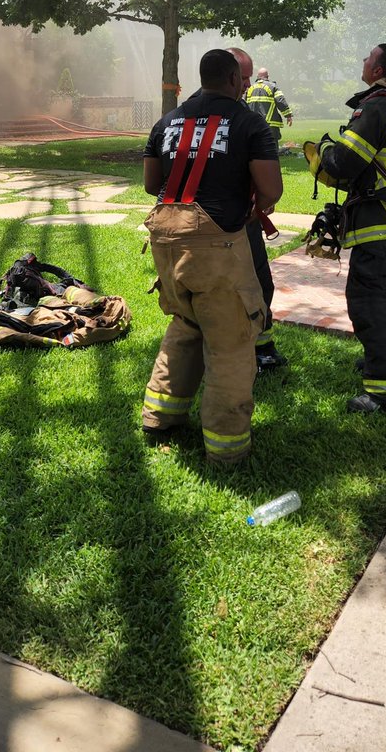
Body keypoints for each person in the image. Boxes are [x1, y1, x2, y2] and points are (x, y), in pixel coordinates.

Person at [141, 49, 283, 464]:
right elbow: (271, 192)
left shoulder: (166, 121)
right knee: (231, 341)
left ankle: (161, 417)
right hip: (217, 249)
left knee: (186, 326)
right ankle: (227, 448)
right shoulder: (248, 122)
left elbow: (153, 184)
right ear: (235, 81)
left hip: (166, 243)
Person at [314, 43, 386, 414]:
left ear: (378, 70)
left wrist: (321, 157)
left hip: (377, 225)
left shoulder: (376, 106)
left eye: (367, 58)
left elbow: (345, 162)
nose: (362, 61)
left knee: (367, 303)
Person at [227, 46, 287, 372]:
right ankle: (258, 352)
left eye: (251, 76)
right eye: (244, 77)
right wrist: (260, 206)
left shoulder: (180, 118)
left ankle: (255, 346)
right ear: (230, 75)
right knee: (257, 284)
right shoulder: (247, 122)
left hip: (200, 222)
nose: (249, 85)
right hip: (239, 221)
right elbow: (271, 190)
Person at [245, 67, 294, 132]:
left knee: (255, 142)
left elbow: (244, 105)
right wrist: (288, 115)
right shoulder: (273, 87)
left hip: (253, 124)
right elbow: (280, 100)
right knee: (271, 142)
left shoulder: (250, 88)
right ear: (267, 76)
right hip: (270, 125)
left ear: (257, 76)